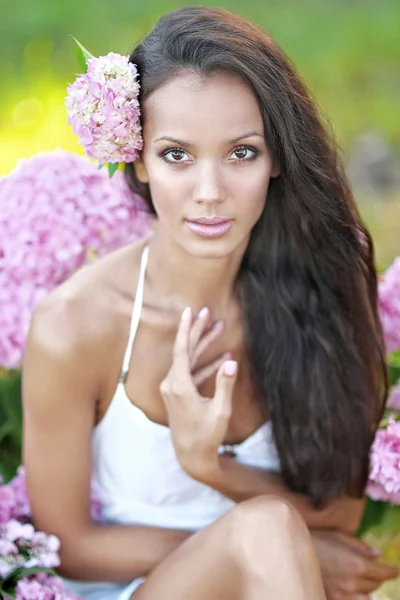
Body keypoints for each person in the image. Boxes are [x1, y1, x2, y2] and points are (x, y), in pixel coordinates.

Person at [22, 6, 399, 600]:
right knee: (269, 531)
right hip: (135, 589)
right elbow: (67, 543)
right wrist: (260, 546)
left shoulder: (324, 286)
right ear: (138, 158)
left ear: (277, 158)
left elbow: (342, 515)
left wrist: (210, 466)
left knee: (270, 536)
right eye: (177, 154)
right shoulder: (74, 327)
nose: (209, 192)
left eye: (242, 152)